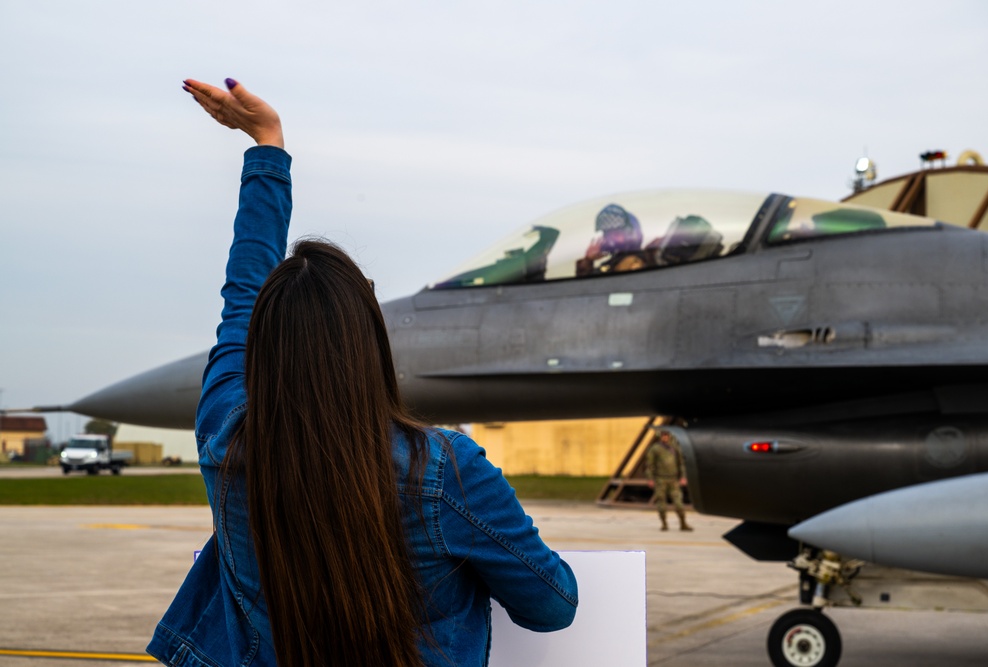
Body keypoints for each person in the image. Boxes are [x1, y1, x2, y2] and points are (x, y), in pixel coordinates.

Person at [147, 78, 577, 667]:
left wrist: (267, 147)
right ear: (366, 343)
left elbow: (242, 295)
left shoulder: (226, 431)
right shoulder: (448, 468)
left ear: (265, 343)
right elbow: (552, 607)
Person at [645, 427, 692, 532]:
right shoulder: (655, 449)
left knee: (678, 503)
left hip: (674, 480)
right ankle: (664, 524)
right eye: (663, 435)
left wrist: (683, 477)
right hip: (660, 480)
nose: (665, 437)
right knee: (661, 503)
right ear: (660, 436)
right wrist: (650, 478)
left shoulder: (675, 448)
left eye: (666, 435)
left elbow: (681, 464)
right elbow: (649, 465)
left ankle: (683, 524)